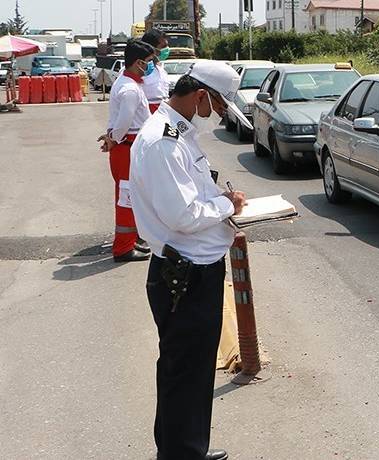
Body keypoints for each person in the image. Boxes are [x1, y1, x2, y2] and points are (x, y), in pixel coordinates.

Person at [129, 60, 253, 460]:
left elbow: (191, 198)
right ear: (200, 94)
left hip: (193, 269)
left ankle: (184, 449)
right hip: (184, 275)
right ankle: (182, 453)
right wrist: (225, 204)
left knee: (190, 370)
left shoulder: (178, 133)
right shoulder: (163, 140)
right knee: (186, 370)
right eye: (215, 105)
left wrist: (218, 204)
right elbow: (182, 215)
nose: (216, 114)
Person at [98, 40, 156, 262]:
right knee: (126, 199)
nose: (151, 66)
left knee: (132, 197)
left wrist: (112, 139)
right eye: (149, 62)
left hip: (127, 148)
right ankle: (123, 248)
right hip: (127, 150)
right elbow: (123, 124)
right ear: (139, 62)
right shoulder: (130, 89)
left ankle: (130, 241)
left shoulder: (130, 83)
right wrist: (113, 139)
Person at [141, 28, 171, 113]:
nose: (167, 50)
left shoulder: (161, 70)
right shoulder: (138, 70)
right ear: (151, 48)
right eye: (163, 47)